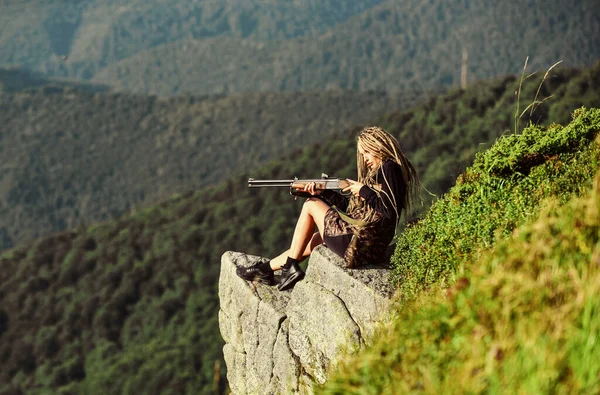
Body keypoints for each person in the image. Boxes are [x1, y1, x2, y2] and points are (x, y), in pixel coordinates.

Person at [236, 126, 420, 291]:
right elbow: (351, 212)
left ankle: (290, 267)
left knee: (310, 206)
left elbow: (388, 211)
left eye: (366, 153)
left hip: (359, 245)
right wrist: (321, 193)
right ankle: (264, 271)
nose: (364, 159)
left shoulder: (389, 168)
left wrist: (361, 190)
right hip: (364, 246)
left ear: (377, 147)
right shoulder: (384, 173)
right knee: (315, 239)